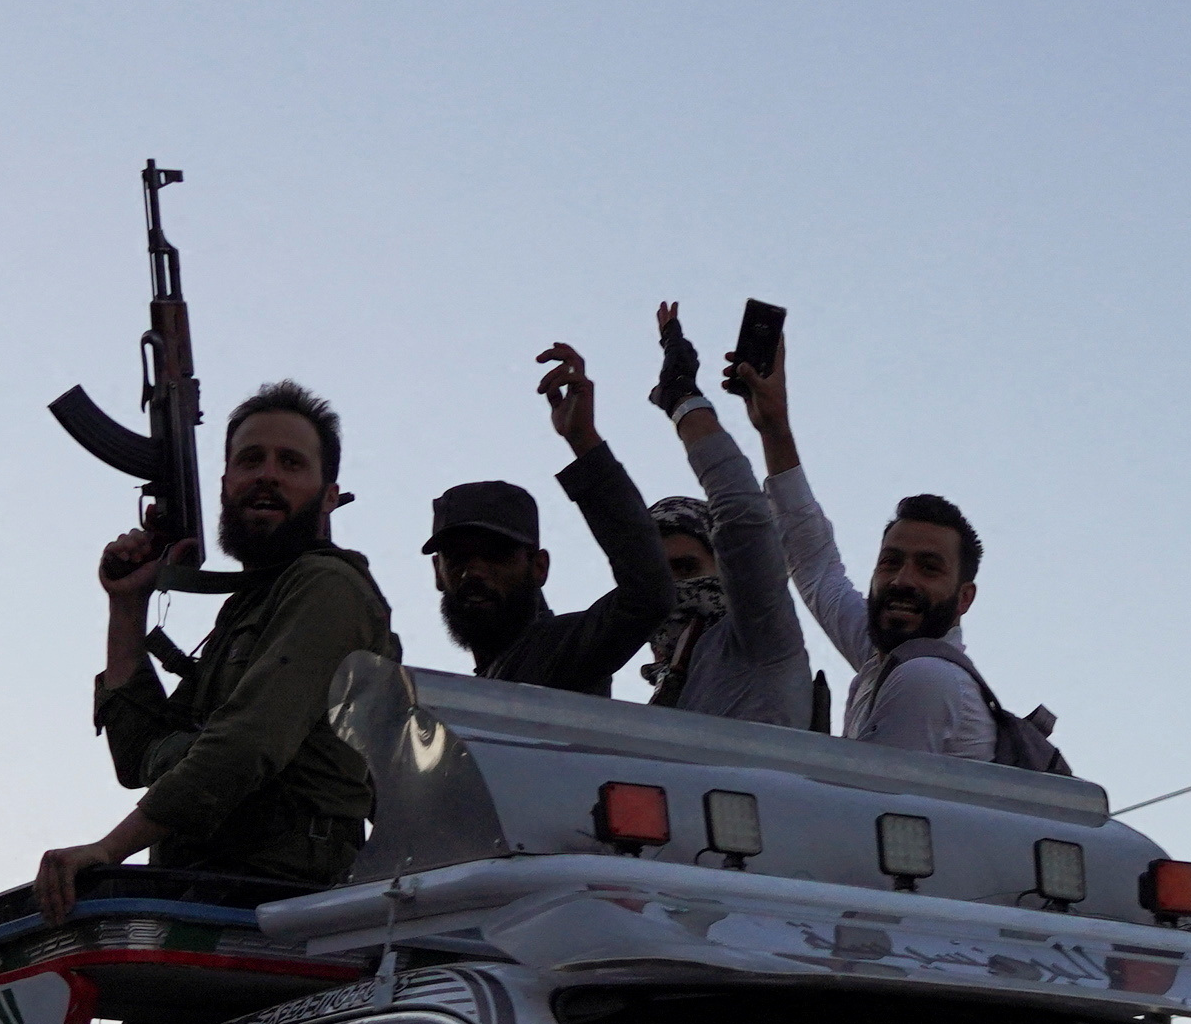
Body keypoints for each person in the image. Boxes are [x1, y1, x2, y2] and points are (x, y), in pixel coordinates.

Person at [38, 384, 398, 915]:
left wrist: (110, 848)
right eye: (251, 460)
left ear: (328, 496)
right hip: (209, 885)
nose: (267, 475)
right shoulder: (250, 605)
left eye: (291, 463)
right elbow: (137, 758)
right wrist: (128, 607)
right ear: (226, 484)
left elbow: (246, 745)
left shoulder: (328, 588)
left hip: (284, 898)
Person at [711, 314, 1056, 765]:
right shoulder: (886, 655)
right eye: (891, 562)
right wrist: (774, 428)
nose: (902, 580)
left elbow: (869, 800)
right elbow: (814, 564)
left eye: (929, 568)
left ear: (964, 598)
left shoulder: (927, 679)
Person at [422, 344, 685, 698]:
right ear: (438, 573)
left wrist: (584, 442)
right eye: (458, 558)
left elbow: (649, 595)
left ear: (539, 567)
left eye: (496, 554)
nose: (474, 572)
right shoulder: (477, 689)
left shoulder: (559, 652)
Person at [621, 307, 826, 730]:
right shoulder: (659, 700)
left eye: (687, 568)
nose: (674, 590)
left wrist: (682, 399)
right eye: (660, 576)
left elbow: (742, 515)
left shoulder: (758, 638)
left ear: (725, 569)